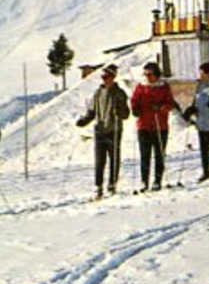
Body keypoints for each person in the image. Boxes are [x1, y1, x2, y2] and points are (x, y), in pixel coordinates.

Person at [76, 64, 130, 199]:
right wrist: (84, 121)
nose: (104, 79)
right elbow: (92, 112)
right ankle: (98, 186)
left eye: (107, 76)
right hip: (100, 130)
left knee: (114, 159)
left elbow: (126, 114)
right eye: (103, 76)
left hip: (114, 129)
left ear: (113, 77)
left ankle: (112, 184)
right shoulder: (98, 93)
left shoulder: (119, 93)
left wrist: (120, 111)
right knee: (100, 160)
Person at [130, 60, 177, 191]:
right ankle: (144, 181)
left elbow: (170, 103)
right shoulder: (141, 86)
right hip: (144, 125)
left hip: (159, 125)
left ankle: (157, 180)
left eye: (149, 74)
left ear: (156, 75)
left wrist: (162, 107)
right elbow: (134, 99)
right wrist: (135, 108)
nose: (147, 77)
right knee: (144, 154)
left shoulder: (163, 86)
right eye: (145, 74)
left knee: (159, 154)